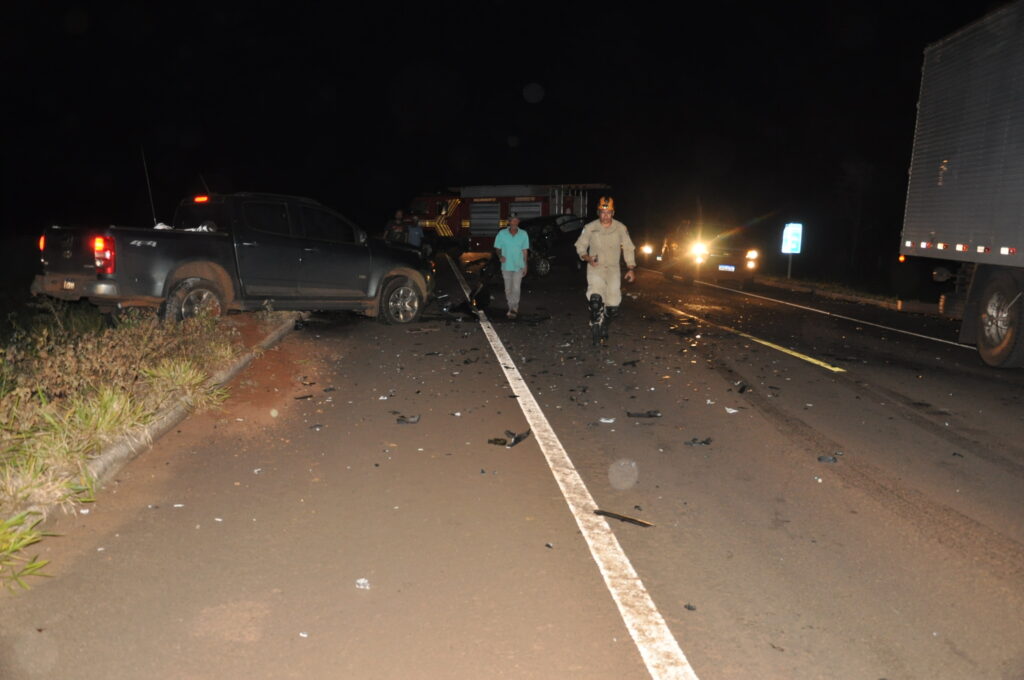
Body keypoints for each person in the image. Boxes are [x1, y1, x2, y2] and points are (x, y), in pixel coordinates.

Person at [574, 196, 637, 345]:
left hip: (613, 270)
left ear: (613, 213)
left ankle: (604, 326)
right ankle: (595, 323)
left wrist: (631, 268)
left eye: (608, 212)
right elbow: (580, 246)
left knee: (613, 306)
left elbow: (628, 247)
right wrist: (587, 257)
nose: (605, 215)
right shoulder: (590, 227)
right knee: (595, 300)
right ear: (598, 212)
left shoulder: (621, 228)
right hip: (596, 268)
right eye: (602, 212)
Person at [493, 215, 530, 319]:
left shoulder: (523, 234)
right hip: (506, 265)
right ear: (509, 222)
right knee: (508, 289)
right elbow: (497, 248)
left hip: (519, 265)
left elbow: (525, 251)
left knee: (516, 288)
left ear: (518, 222)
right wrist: (500, 256)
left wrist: (525, 265)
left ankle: (514, 308)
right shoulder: (502, 234)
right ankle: (510, 307)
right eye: (513, 220)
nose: (515, 222)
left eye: (517, 220)